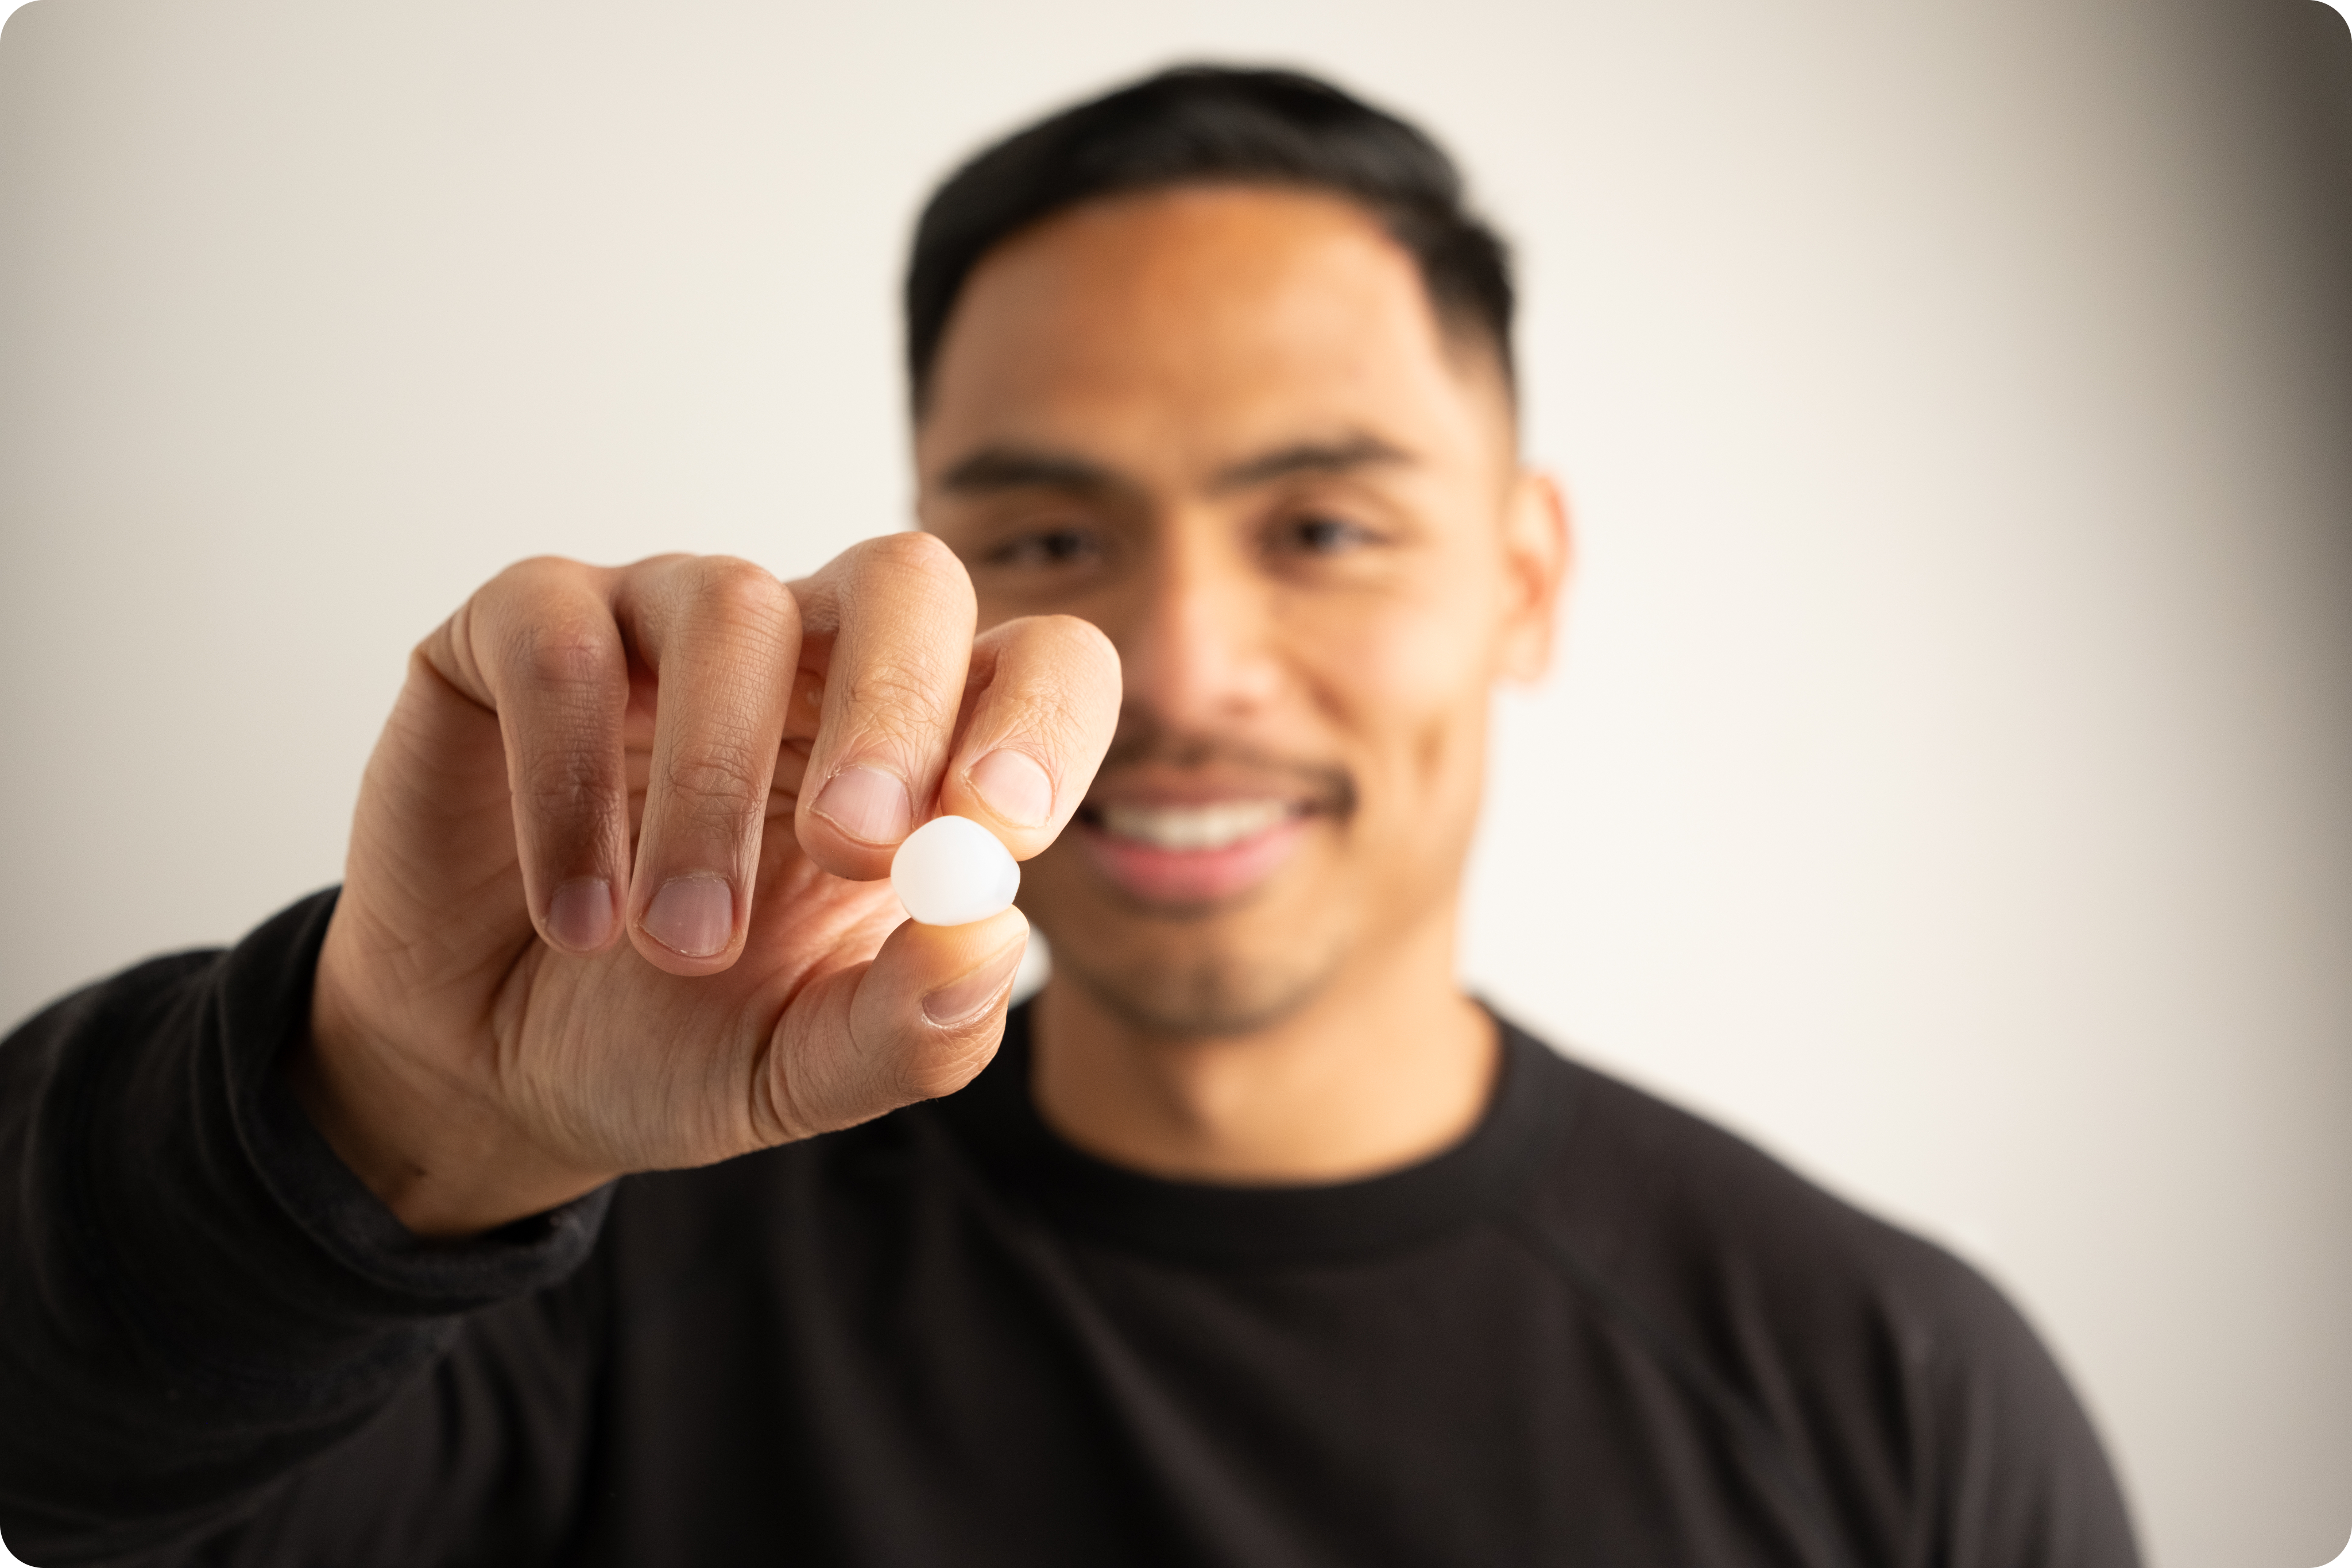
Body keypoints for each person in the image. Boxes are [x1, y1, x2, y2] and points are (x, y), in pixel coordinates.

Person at [0, 66, 2138, 1567]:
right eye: (1045, 535)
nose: (1182, 674)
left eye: (1321, 523)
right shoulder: (560, 1287)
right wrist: (373, 1116)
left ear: (1521, 579)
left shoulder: (1892, 1392)